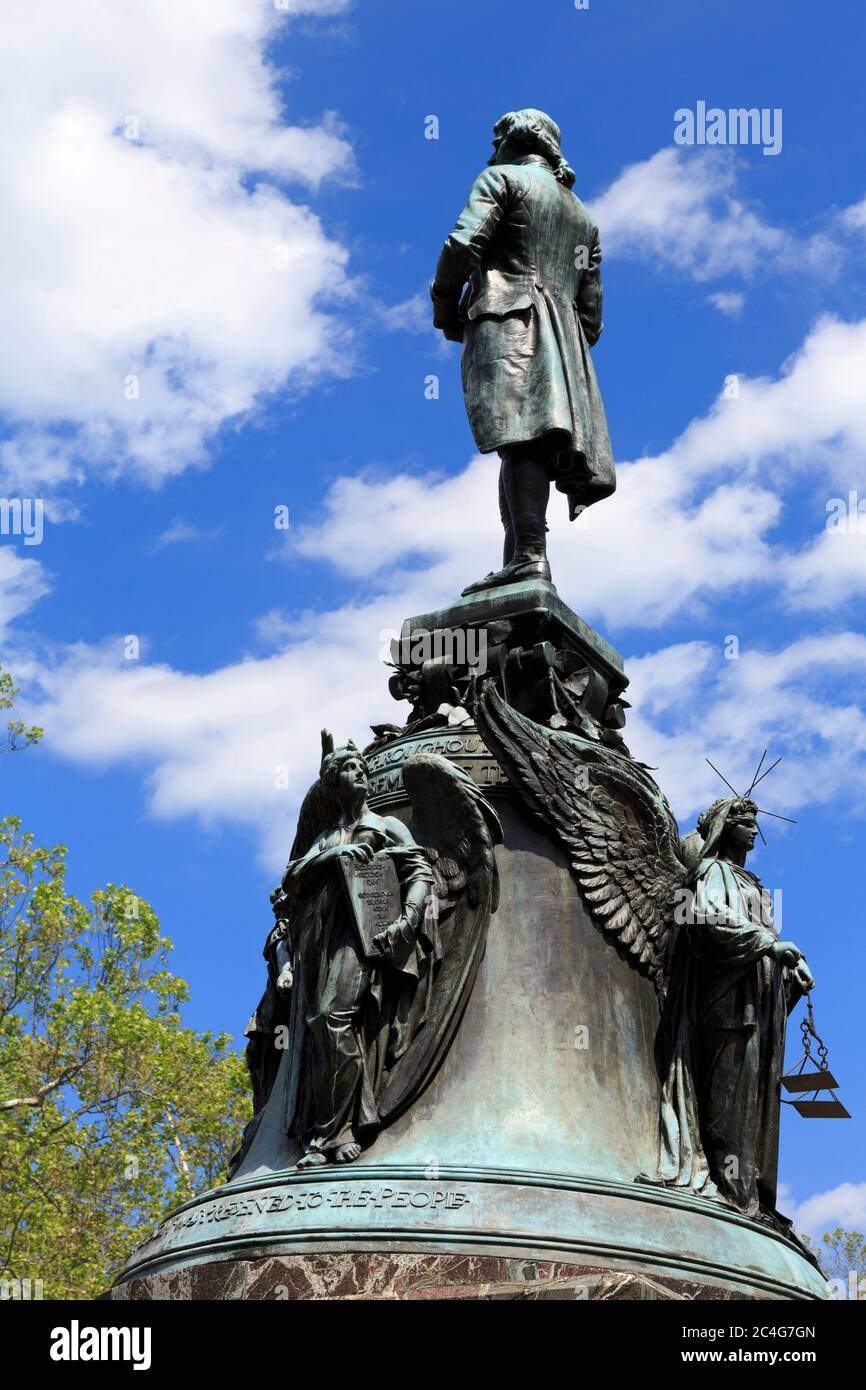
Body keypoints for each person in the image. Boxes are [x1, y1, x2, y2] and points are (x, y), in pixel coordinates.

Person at [431, 108, 615, 595]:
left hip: (507, 318)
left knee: (521, 439)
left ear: (515, 140)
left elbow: (462, 243)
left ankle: (529, 556)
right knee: (522, 443)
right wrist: (565, 336)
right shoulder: (583, 218)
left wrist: (444, 304)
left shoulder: (501, 179)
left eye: (496, 139)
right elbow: (591, 316)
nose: (490, 150)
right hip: (562, 335)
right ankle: (523, 556)